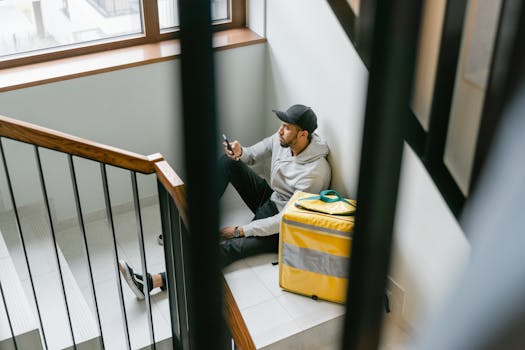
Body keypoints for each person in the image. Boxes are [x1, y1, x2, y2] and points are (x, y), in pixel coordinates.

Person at [119, 104, 332, 299]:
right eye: (281, 125)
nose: (279, 131)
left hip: (284, 228)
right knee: (228, 163)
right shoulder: (284, 140)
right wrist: (240, 153)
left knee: (229, 248)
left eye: (286, 127)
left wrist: (241, 230)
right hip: (273, 199)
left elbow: (285, 219)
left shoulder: (314, 174)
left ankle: (153, 282)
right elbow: (254, 153)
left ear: (303, 134)